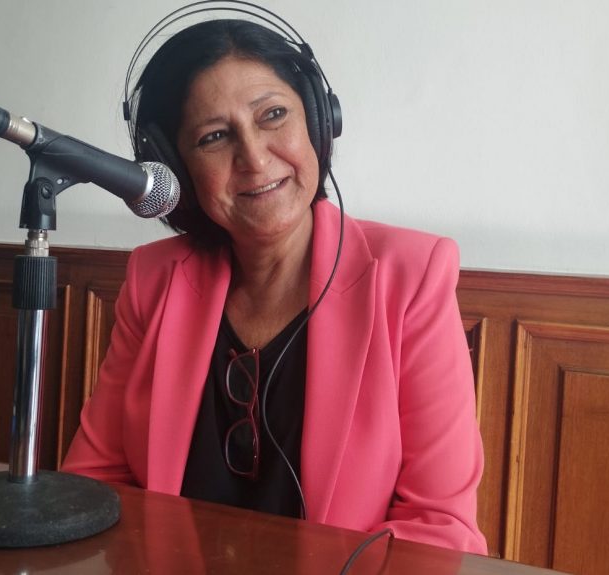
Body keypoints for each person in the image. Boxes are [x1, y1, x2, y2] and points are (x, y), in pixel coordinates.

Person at [62, 13, 487, 554]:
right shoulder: (154, 280)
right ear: (173, 166)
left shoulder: (411, 276)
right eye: (214, 136)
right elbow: (94, 483)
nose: (255, 158)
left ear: (316, 118)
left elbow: (439, 529)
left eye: (273, 115)